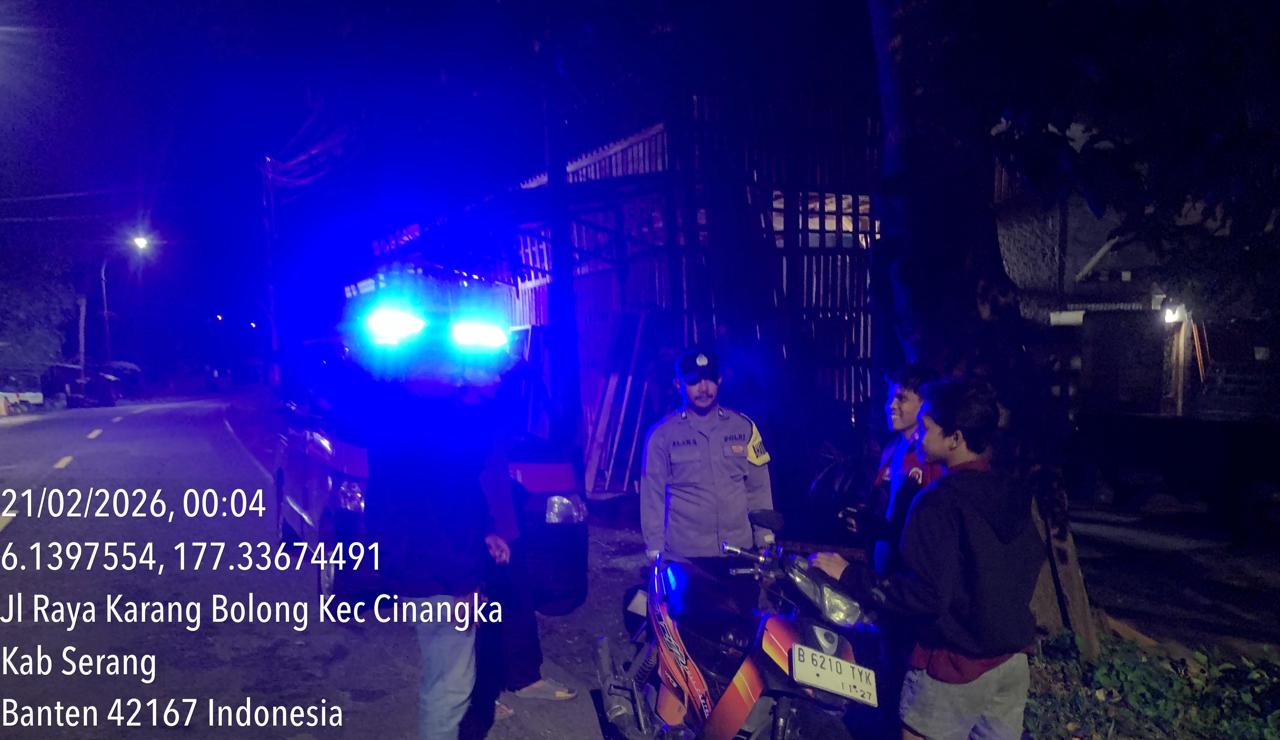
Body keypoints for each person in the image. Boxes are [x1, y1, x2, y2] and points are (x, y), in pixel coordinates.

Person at [812, 379, 1044, 740]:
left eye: (927, 427)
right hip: (1010, 662)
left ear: (955, 438)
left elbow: (927, 594)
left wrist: (849, 576)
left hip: (954, 667)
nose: (918, 435)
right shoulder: (1011, 493)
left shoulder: (939, 502)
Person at [362, 377, 512, 740]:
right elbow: (451, 515)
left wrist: (486, 532)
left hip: (411, 573)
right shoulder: (450, 436)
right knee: (449, 685)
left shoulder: (388, 427)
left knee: (438, 673)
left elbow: (386, 510)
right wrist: (467, 584)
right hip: (446, 580)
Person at [641, 347, 774, 560]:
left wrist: (765, 538)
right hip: (687, 557)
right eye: (694, 381)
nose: (703, 388)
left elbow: (759, 488)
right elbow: (652, 498)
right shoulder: (662, 435)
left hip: (740, 552)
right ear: (678, 384)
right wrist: (655, 551)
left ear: (719, 380)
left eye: (710, 379)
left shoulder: (744, 428)